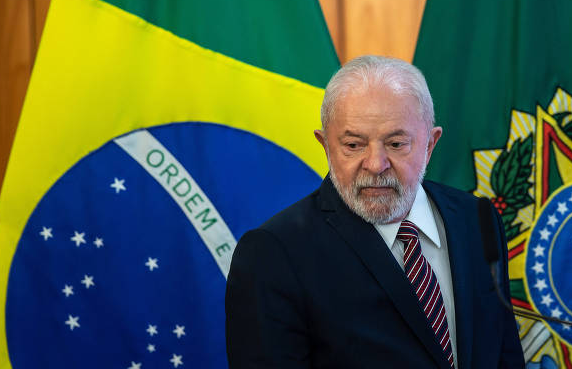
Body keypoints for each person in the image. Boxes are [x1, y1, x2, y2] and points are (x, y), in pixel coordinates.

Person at [225, 55, 524, 368]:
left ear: (430, 144)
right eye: (353, 145)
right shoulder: (274, 252)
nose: (376, 164)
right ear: (325, 145)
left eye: (396, 144)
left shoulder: (476, 218)